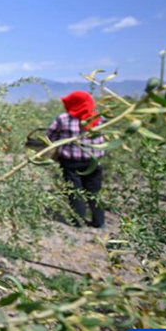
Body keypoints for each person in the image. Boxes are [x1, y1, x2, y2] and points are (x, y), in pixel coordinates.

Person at [46, 91, 106, 228]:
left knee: (75, 192)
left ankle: (78, 222)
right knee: (95, 191)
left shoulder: (63, 119)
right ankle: (99, 222)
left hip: (71, 163)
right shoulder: (98, 119)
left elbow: (50, 136)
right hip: (94, 161)